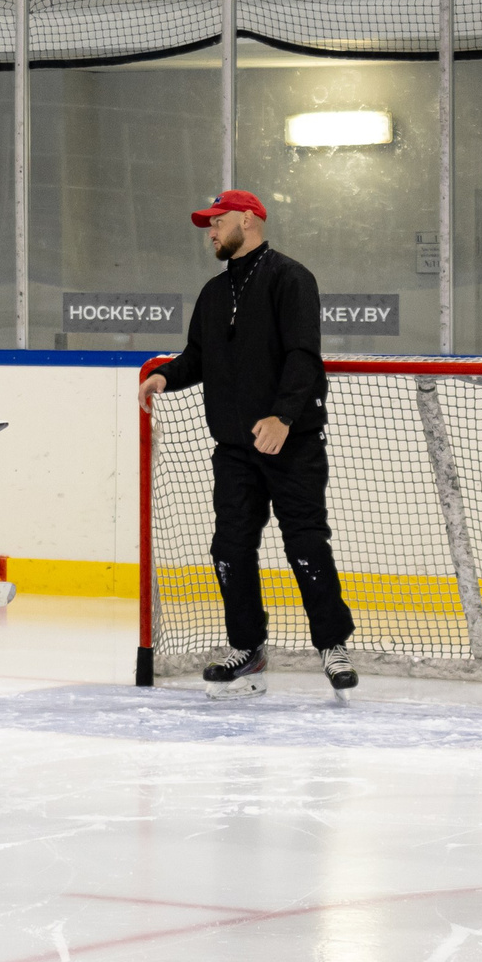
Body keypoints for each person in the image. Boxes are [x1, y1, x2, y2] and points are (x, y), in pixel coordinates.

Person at [139, 189, 356, 695]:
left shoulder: (291, 279)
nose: (210, 232)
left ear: (249, 219)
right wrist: (165, 376)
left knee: (305, 543)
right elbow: (198, 356)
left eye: (218, 222)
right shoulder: (214, 293)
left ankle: (332, 645)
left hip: (291, 444)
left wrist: (283, 417)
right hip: (235, 450)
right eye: (208, 225)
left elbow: (303, 356)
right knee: (230, 547)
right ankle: (247, 647)